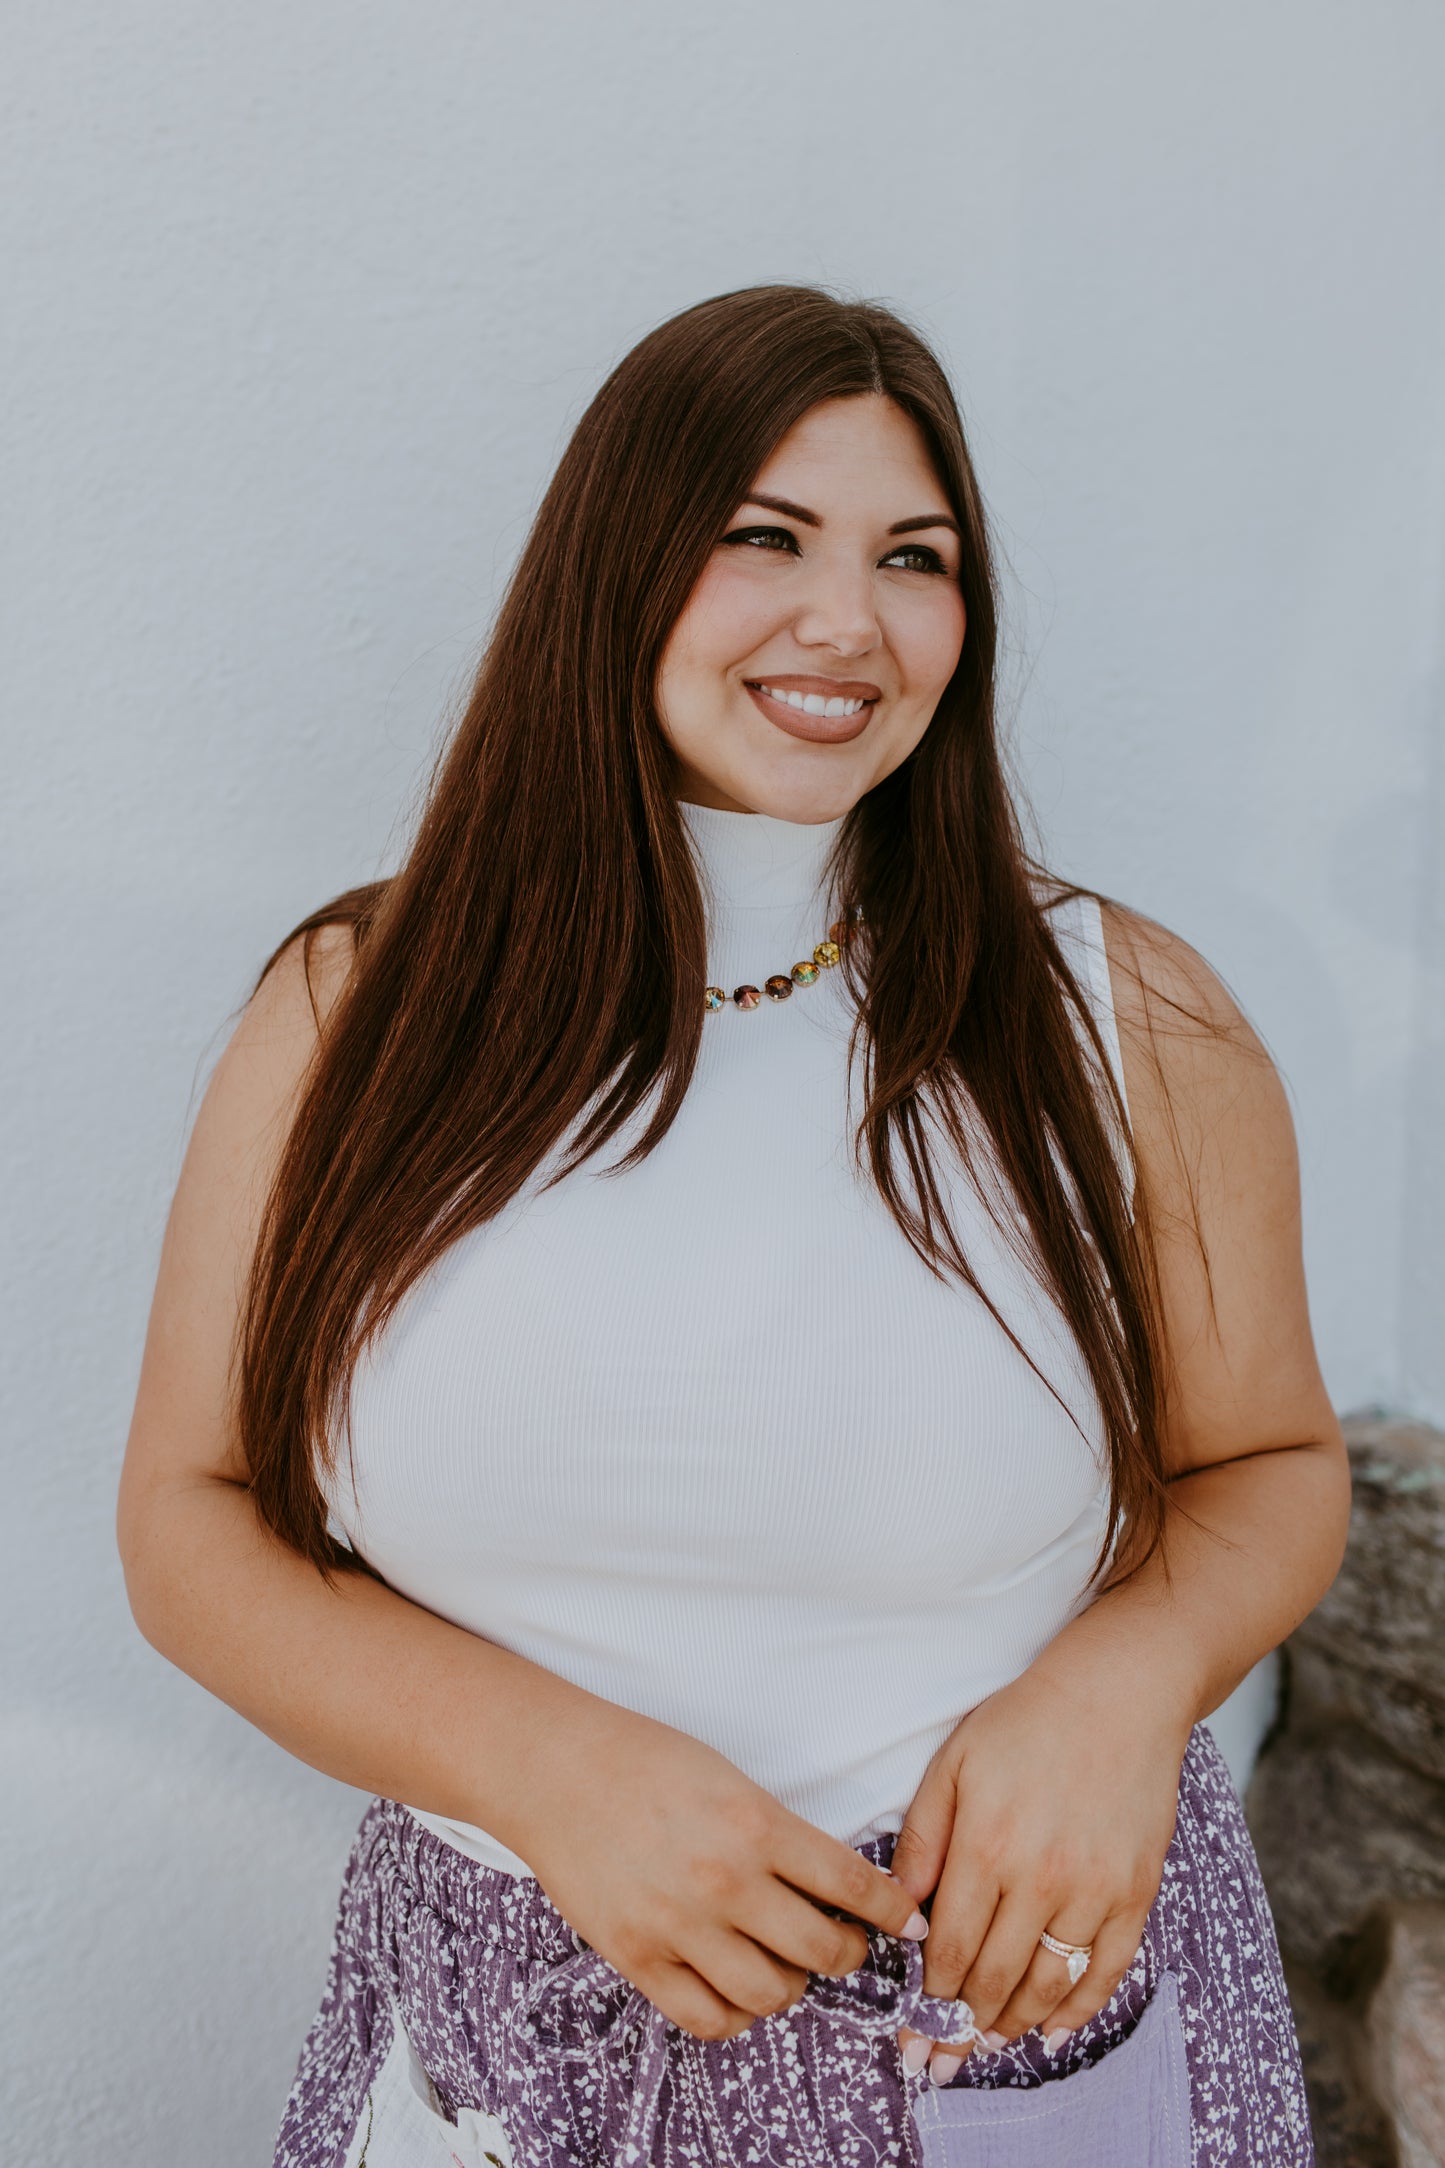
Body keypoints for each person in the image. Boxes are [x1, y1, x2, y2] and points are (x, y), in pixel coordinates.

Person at [117, 285, 1348, 2168]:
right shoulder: (354, 1014)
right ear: (613, 564)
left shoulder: (1120, 1018)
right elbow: (188, 1520)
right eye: (763, 536)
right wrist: (540, 1768)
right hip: (502, 2046)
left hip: (1006, 2041)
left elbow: (1265, 1462)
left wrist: (1124, 1685)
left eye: (913, 558)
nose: (847, 619)